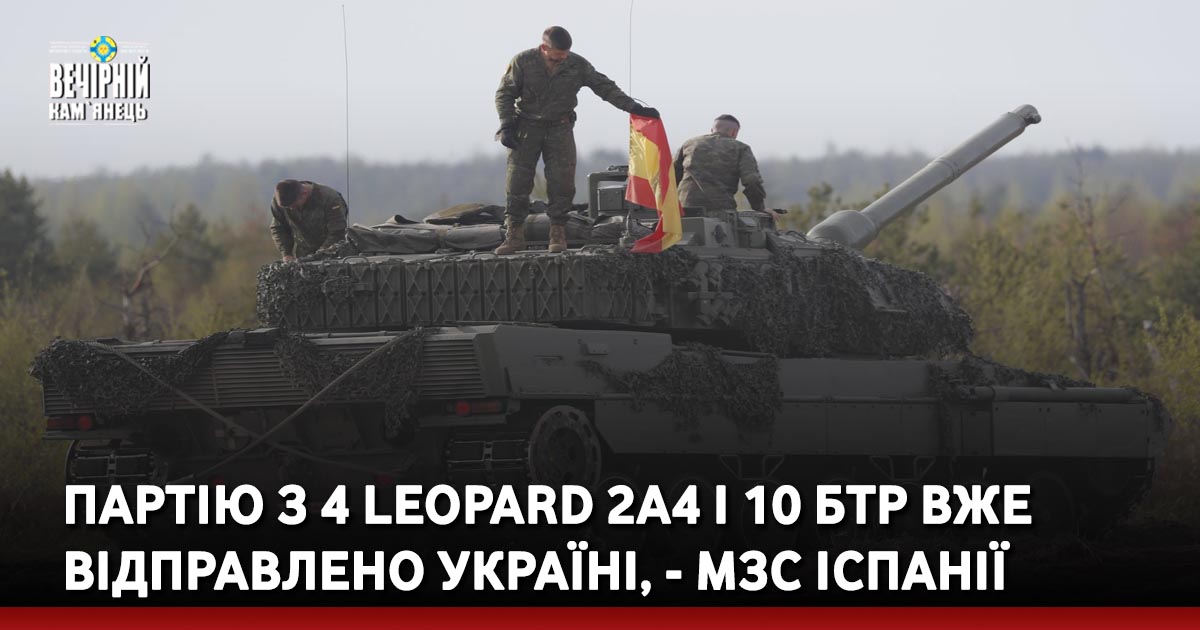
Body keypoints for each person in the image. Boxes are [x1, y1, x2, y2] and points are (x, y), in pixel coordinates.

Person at [494, 25, 660, 255]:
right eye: (557, 55)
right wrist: (506, 124)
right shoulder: (523, 61)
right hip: (526, 128)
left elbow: (604, 87)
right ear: (544, 48)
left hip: (560, 128)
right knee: (517, 182)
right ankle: (514, 235)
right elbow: (504, 93)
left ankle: (557, 233)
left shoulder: (577, 64)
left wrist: (633, 107)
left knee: (562, 182)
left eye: (565, 55)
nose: (562, 59)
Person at [673, 115, 767, 215]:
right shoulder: (741, 148)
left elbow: (671, 177)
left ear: (712, 130)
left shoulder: (689, 144)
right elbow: (752, 180)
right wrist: (759, 207)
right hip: (721, 211)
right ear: (734, 132)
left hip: (684, 210)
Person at [269, 179, 349, 262]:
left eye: (294, 205)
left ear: (304, 194)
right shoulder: (282, 201)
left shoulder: (330, 199)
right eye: (288, 207)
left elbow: (338, 232)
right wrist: (286, 253)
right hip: (303, 255)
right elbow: (279, 228)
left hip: (333, 256)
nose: (291, 209)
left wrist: (319, 255)